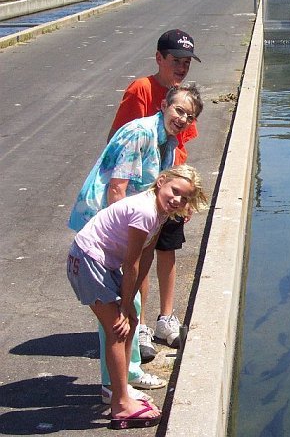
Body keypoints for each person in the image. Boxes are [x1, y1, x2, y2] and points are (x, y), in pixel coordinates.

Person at [69, 83, 203, 401]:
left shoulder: (168, 142)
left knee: (131, 307)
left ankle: (126, 375)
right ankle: (114, 386)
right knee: (118, 311)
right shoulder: (139, 133)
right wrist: (120, 247)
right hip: (107, 229)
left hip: (132, 228)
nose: (183, 119)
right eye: (179, 110)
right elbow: (118, 188)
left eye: (190, 115)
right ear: (163, 105)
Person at [66, 166, 208, 429]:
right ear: (161, 182)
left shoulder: (162, 214)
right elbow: (130, 264)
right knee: (117, 330)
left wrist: (129, 304)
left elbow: (147, 256)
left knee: (129, 324)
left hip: (103, 263)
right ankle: (120, 404)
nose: (177, 200)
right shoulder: (145, 211)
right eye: (174, 191)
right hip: (88, 261)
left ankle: (119, 390)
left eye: (184, 198)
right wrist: (123, 306)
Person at [108, 29, 201, 363]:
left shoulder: (184, 97)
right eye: (175, 60)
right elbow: (120, 139)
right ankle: (142, 324)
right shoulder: (142, 90)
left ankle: (166, 318)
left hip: (171, 187)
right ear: (159, 58)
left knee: (168, 248)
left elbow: (181, 145)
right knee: (141, 257)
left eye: (187, 61)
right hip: (142, 191)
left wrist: (183, 194)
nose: (181, 66)